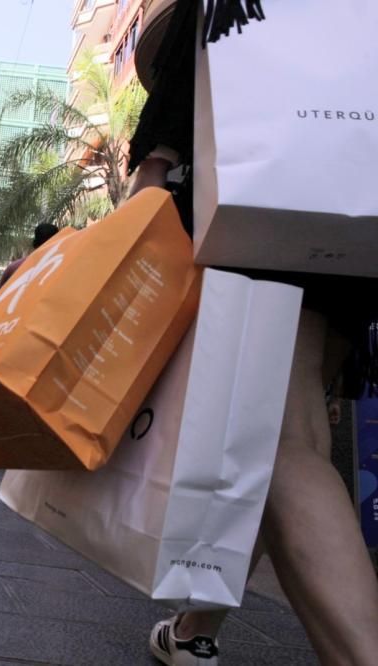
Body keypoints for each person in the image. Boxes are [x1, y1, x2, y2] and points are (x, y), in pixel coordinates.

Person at [128, 3, 378, 664]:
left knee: (283, 441)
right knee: (286, 436)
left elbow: (216, 19)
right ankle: (196, 631)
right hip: (357, 174)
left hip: (268, 175)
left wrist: (155, 163)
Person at [0, 222, 60, 288]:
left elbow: (1, 295)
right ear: (57, 242)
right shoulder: (60, 271)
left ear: (35, 242)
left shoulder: (13, 267)